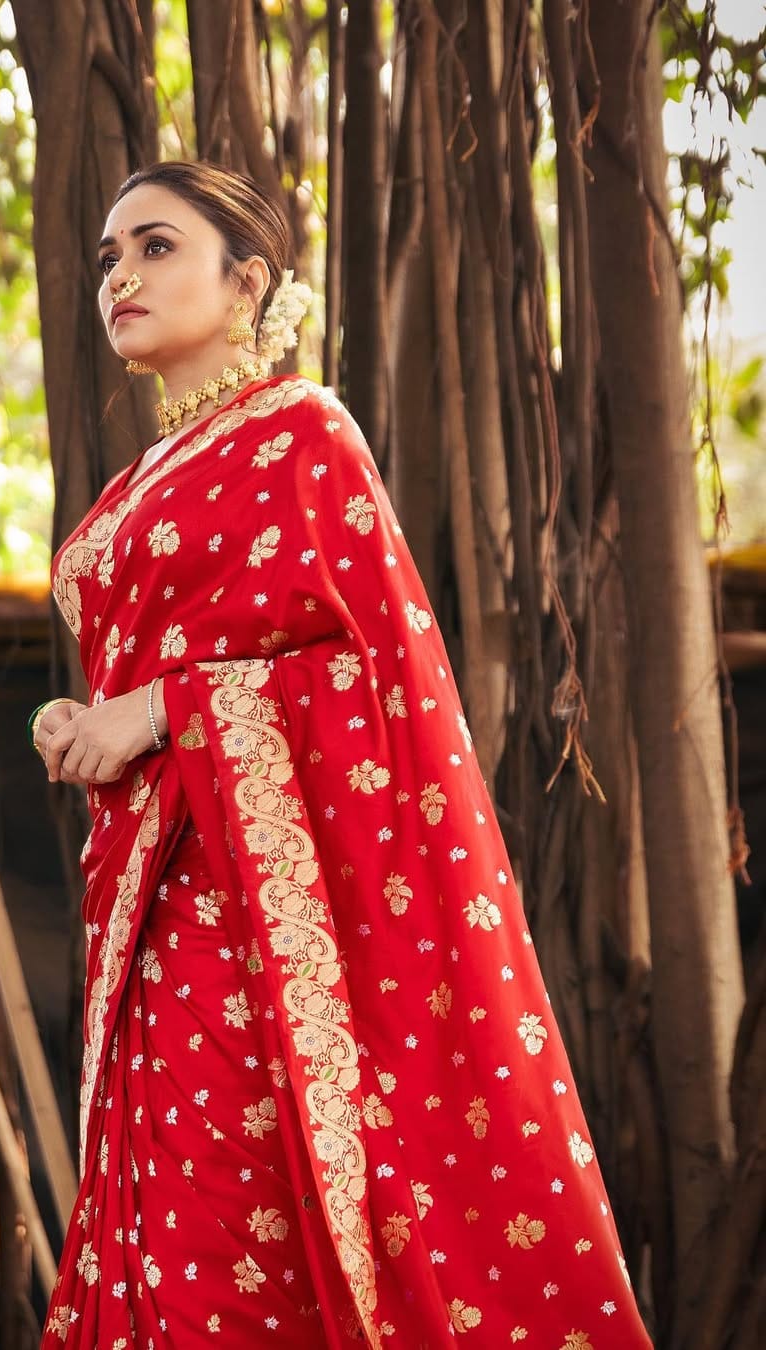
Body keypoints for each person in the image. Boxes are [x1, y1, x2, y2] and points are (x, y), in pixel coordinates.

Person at [32, 161, 653, 1349]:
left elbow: (379, 679)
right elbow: (172, 683)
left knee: (237, 1261)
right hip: (148, 942)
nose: (121, 275)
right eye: (108, 257)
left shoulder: (302, 432)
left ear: (247, 279)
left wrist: (165, 712)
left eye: (156, 247)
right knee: (163, 1259)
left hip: (270, 940)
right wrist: (77, 723)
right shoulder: (133, 485)